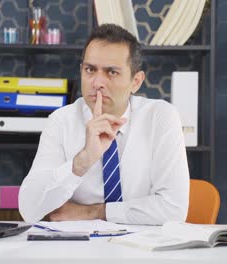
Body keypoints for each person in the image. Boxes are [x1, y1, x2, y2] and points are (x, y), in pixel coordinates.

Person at [19, 24, 189, 225]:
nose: (97, 82)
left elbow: (173, 210)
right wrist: (81, 161)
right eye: (90, 69)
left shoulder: (161, 117)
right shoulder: (61, 121)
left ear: (136, 81)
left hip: (141, 251)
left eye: (112, 72)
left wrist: (94, 212)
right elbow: (29, 210)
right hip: (79, 251)